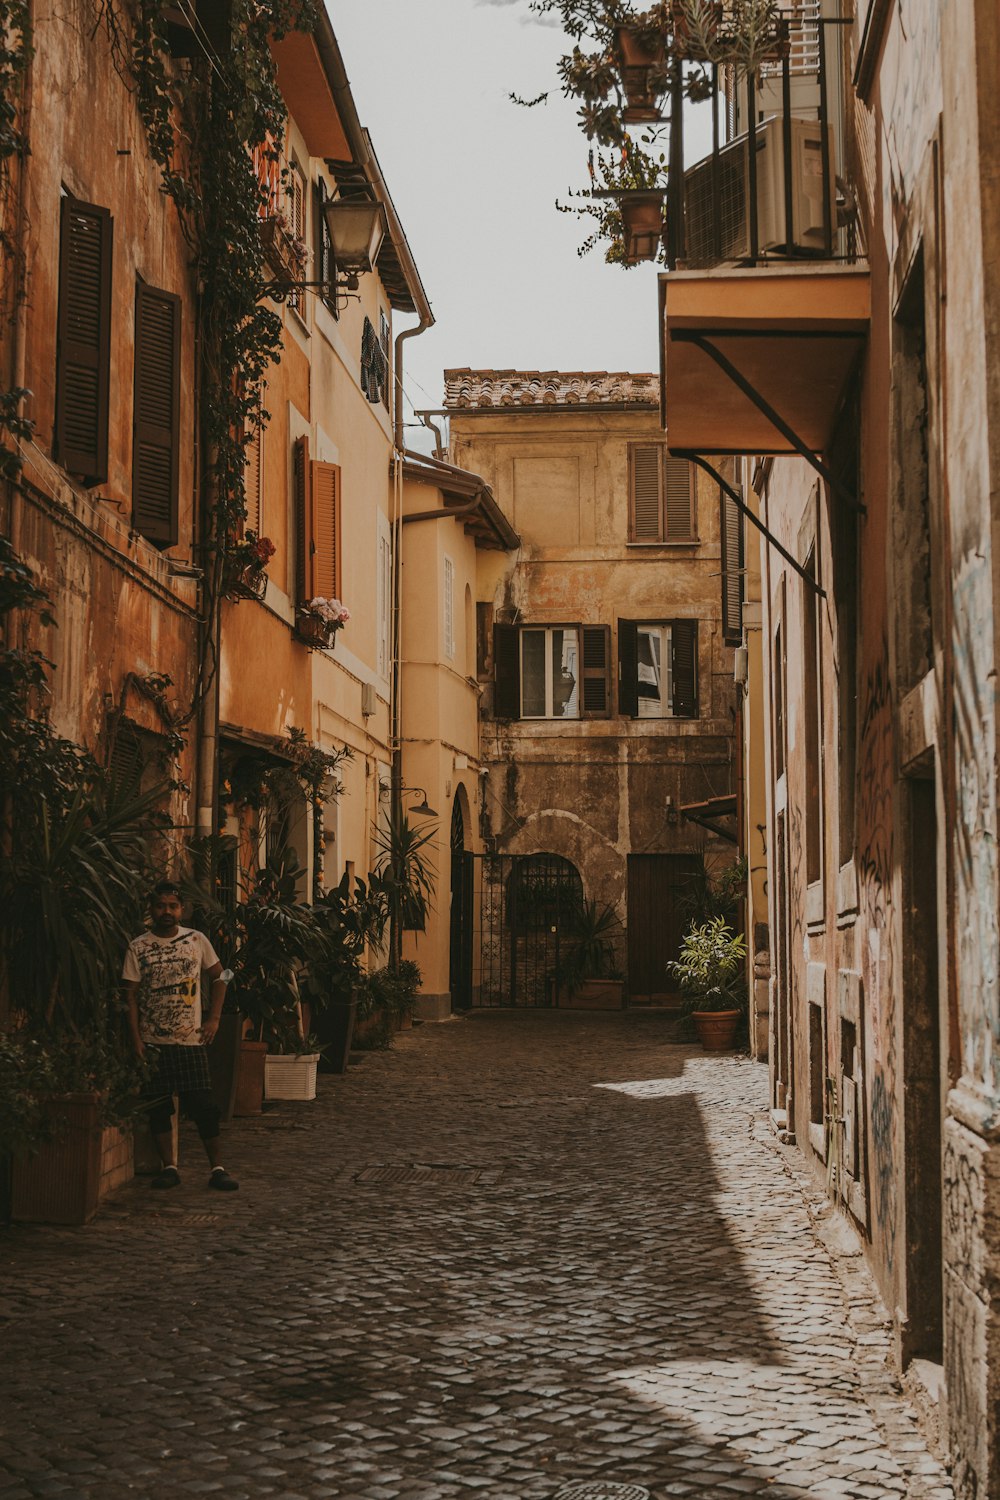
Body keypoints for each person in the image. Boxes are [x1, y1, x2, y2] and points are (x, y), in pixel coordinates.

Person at [122, 880, 239, 1191]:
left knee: (203, 1106)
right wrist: (135, 1038)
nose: (167, 911)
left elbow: (223, 975)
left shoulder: (197, 940)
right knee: (159, 1106)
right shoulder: (138, 947)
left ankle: (217, 1168)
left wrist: (214, 1018)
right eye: (161, 906)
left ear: (182, 910)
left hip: (191, 1040)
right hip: (153, 1042)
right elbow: (130, 996)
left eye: (172, 906)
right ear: (151, 908)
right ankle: (169, 1167)